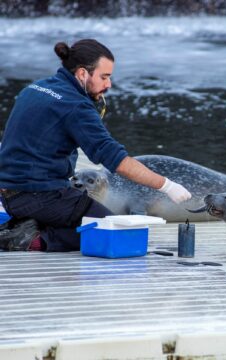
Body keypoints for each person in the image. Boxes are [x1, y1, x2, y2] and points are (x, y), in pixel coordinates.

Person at [0, 39, 191, 252]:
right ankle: (30, 240)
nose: (108, 85)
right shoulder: (76, 107)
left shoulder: (36, 87)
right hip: (40, 196)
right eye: (104, 77)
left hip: (9, 194)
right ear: (83, 74)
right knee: (113, 231)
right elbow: (117, 161)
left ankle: (21, 226)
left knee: (82, 216)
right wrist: (167, 186)